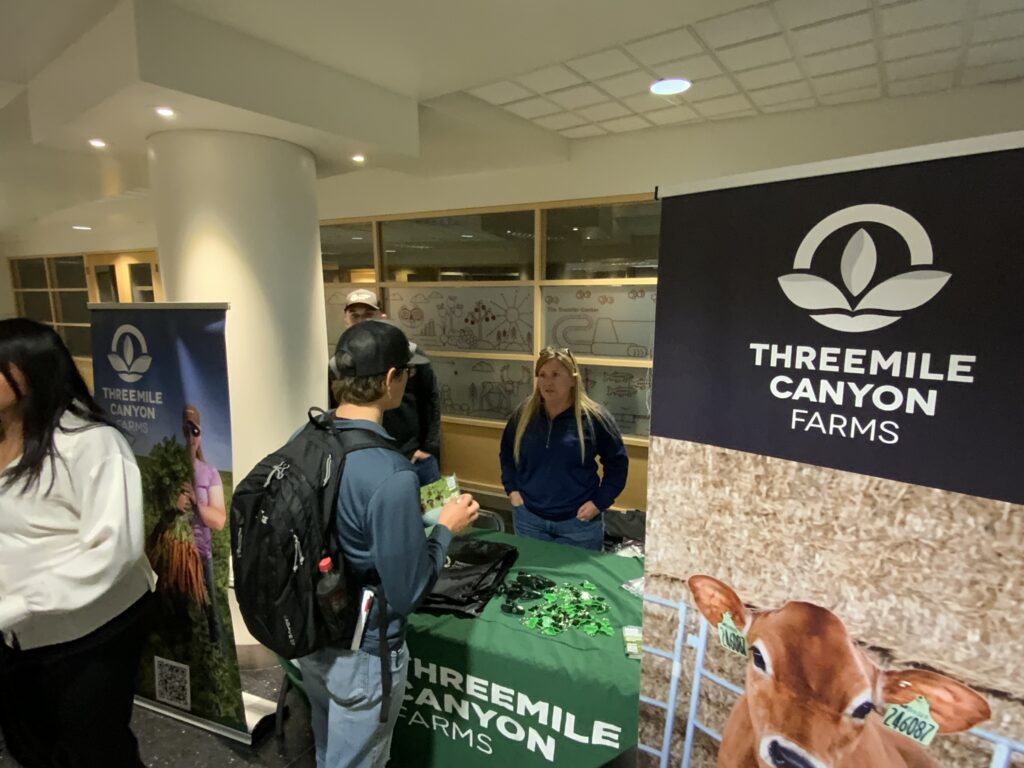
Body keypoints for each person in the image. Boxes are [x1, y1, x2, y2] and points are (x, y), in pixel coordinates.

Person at [300, 319, 479, 768]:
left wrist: (397, 513)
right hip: (363, 651)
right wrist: (446, 528)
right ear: (390, 380)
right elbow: (409, 591)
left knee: (328, 749)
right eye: (406, 372)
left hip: (311, 633)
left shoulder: (306, 437)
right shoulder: (390, 471)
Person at [0, 318, 156, 767]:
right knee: (31, 745)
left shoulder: (91, 443)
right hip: (15, 634)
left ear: (31, 371)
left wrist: (22, 602)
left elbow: (114, 550)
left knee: (94, 747)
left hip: (88, 631)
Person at [499, 346, 628, 551]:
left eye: (556, 374)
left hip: (578, 524)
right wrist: (512, 490)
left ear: (573, 379)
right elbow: (507, 454)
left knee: (578, 573)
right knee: (530, 570)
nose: (547, 382)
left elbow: (617, 464)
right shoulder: (523, 414)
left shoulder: (594, 418)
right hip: (529, 520)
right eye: (542, 375)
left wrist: (599, 503)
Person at [328, 288, 442, 486]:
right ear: (345, 319)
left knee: (429, 504)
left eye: (368, 314)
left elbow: (430, 399)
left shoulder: (407, 354)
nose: (361, 321)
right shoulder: (341, 362)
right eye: (355, 315)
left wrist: (429, 447)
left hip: (411, 452)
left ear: (381, 315)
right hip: (363, 454)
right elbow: (334, 406)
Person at [182, 405, 226, 646]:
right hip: (178, 552)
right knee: (181, 609)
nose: (190, 437)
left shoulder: (209, 472)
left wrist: (196, 503)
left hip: (201, 553)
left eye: (195, 431)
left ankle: (215, 650)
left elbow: (218, 520)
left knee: (211, 610)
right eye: (186, 431)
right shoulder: (171, 465)